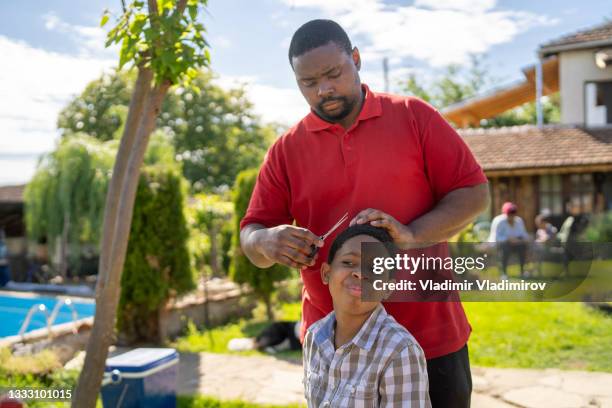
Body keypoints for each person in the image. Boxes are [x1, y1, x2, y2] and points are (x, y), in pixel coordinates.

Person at [239, 19, 489, 407]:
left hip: (429, 336)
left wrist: (413, 234)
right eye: (308, 82)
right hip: (335, 346)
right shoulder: (286, 150)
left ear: (356, 58)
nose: (324, 89)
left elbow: (473, 193)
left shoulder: (414, 116)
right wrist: (267, 241)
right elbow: (250, 234)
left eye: (333, 73)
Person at [303, 224, 430, 407]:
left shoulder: (399, 351)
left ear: (387, 288)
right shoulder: (314, 337)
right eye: (348, 262)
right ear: (326, 273)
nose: (360, 273)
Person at [489, 202, 529, 278]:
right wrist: (508, 239)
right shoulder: (498, 221)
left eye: (513, 213)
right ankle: (504, 273)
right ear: (505, 213)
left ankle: (522, 271)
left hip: (516, 244)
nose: (511, 215)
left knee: (522, 247)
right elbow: (495, 237)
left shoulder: (519, 221)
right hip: (501, 245)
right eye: (509, 213)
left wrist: (524, 239)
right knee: (505, 248)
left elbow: (524, 234)